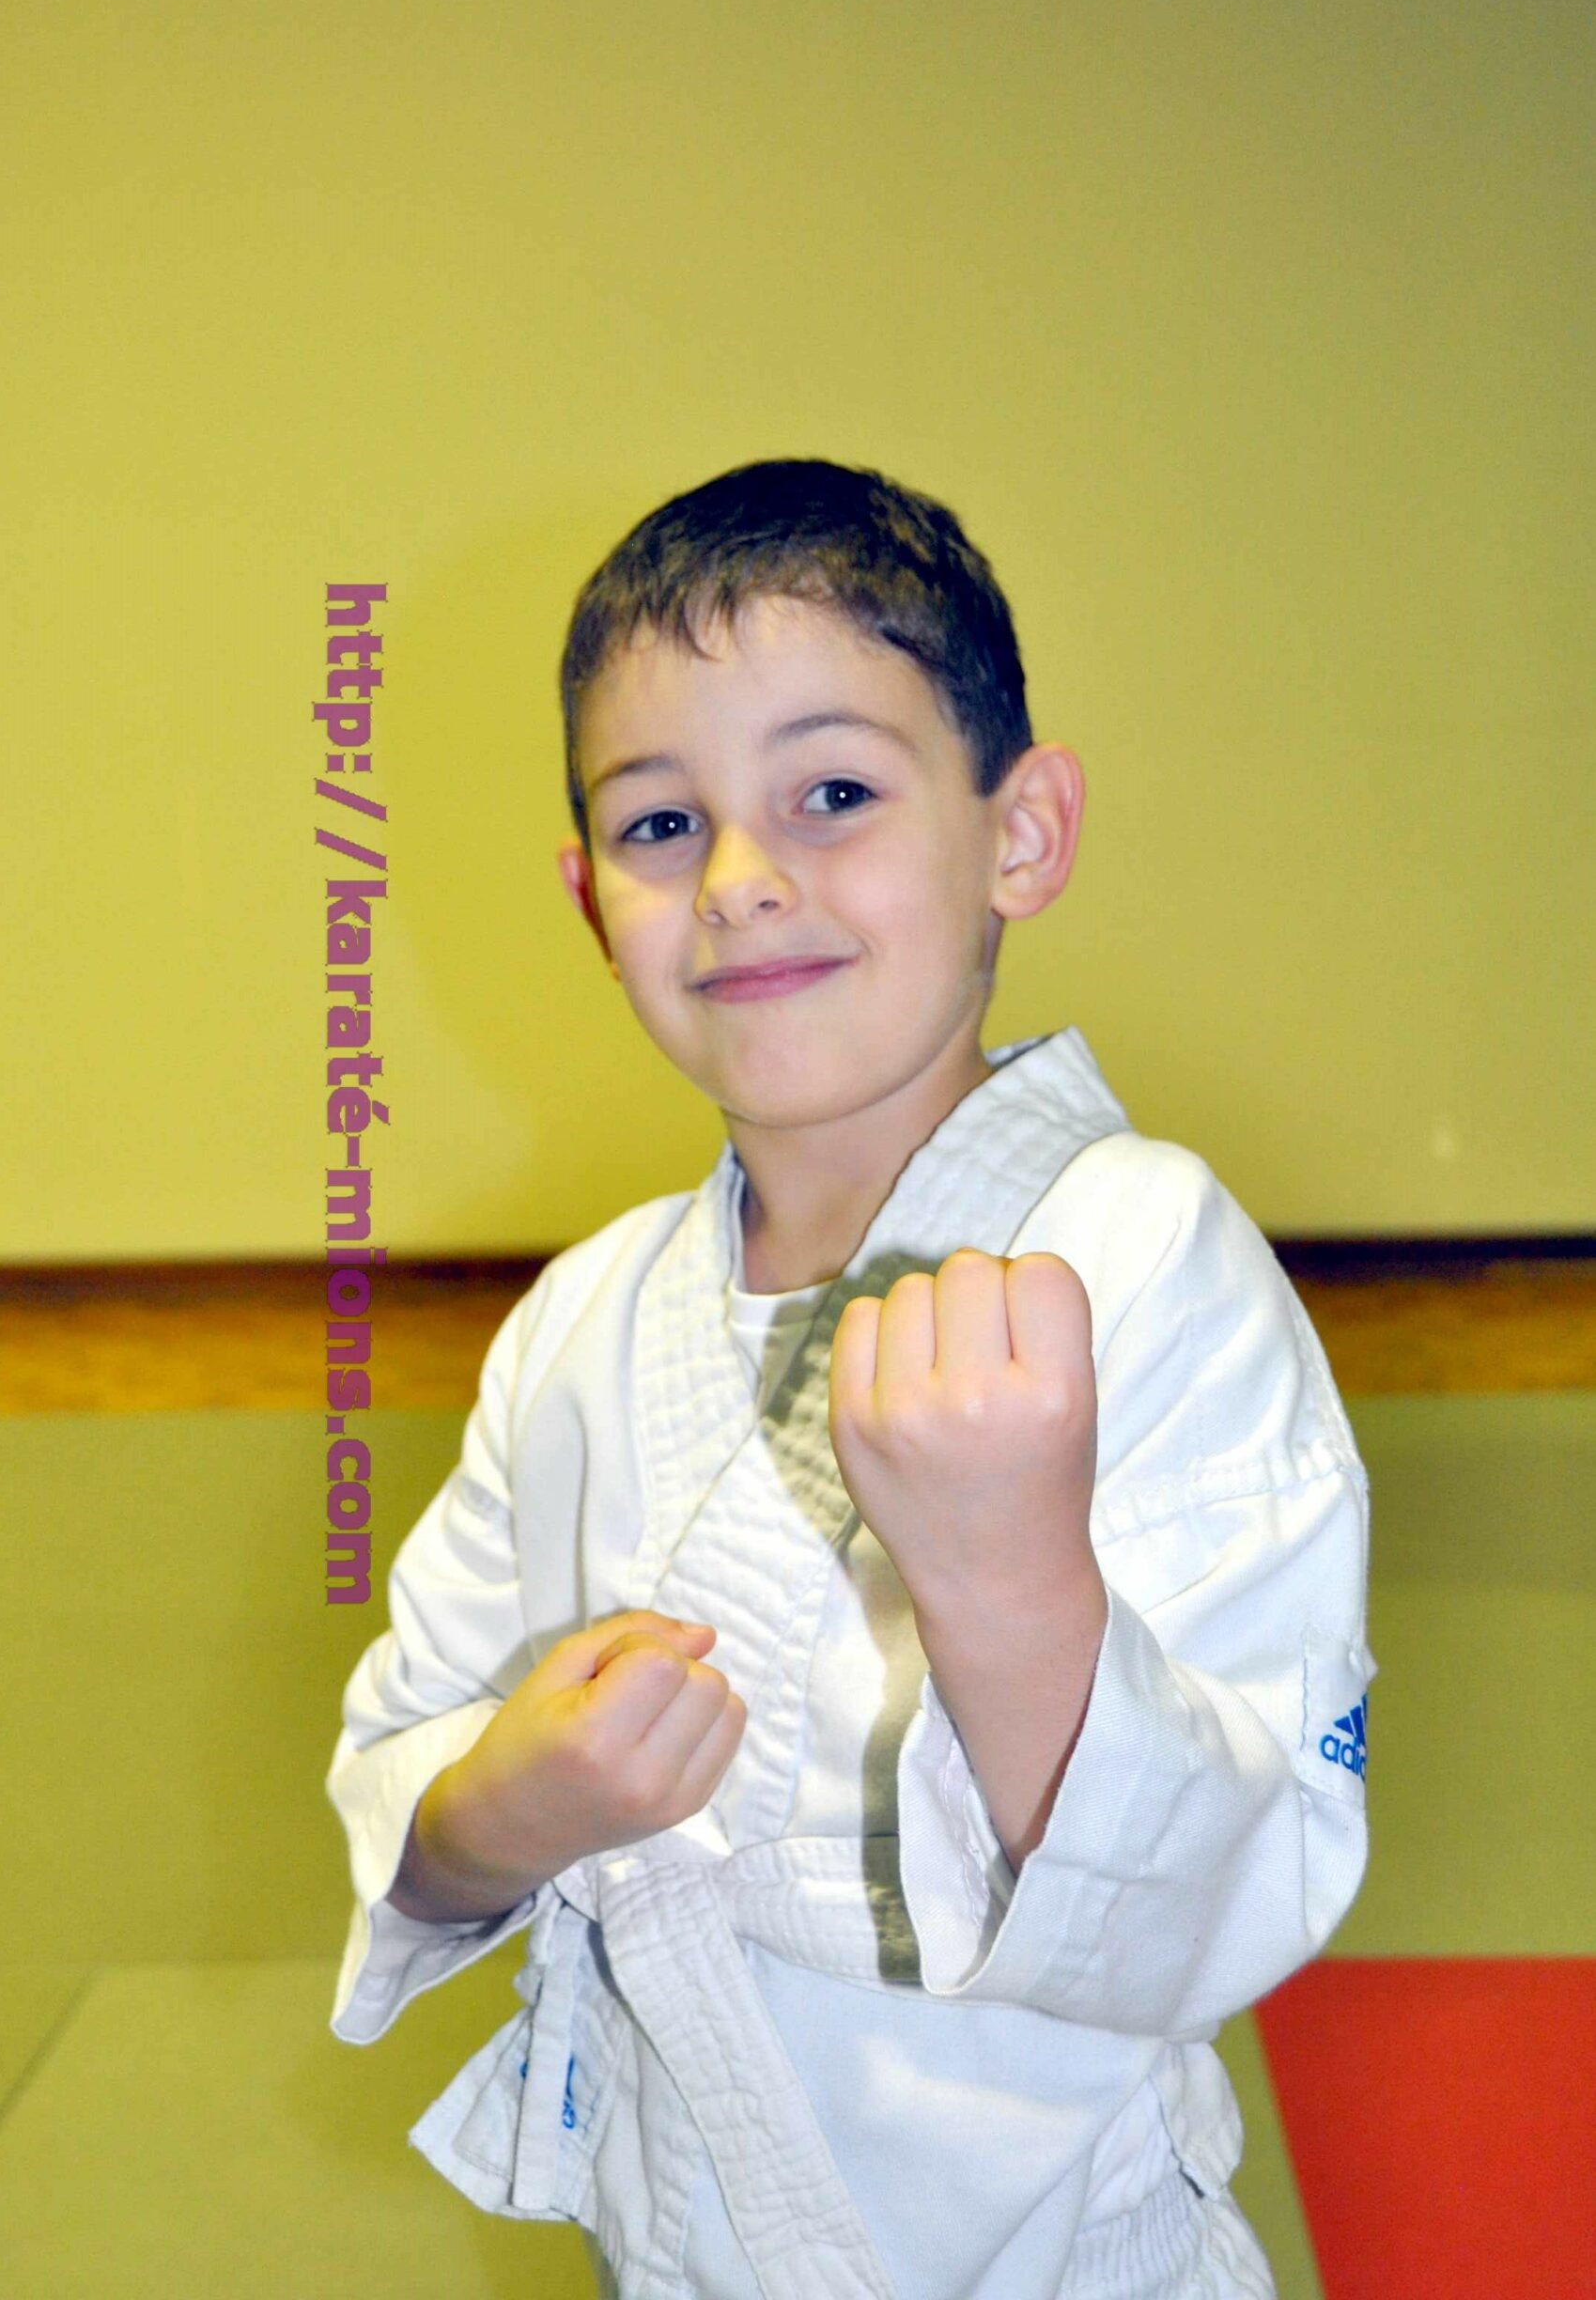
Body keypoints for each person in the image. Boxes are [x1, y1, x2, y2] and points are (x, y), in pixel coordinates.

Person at [324, 458, 1373, 2300]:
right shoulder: (579, 1323)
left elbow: (1244, 1883)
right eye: (662, 824)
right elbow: (406, 1765)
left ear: (1019, 833)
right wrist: (506, 1804)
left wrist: (1012, 1583)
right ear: (590, 901)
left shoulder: (1139, 1257)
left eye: (831, 793)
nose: (740, 880)